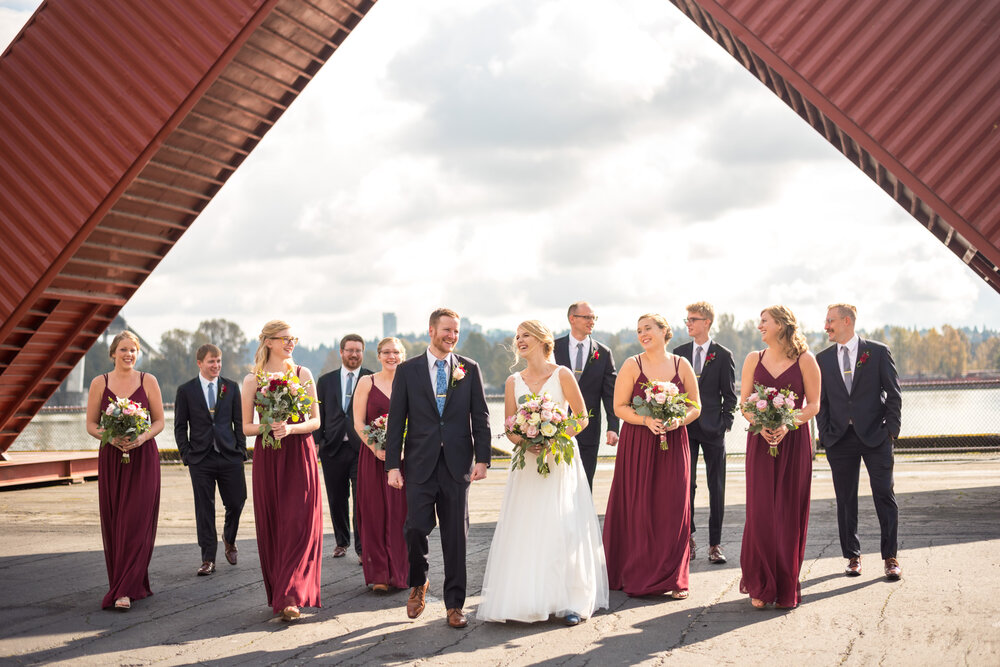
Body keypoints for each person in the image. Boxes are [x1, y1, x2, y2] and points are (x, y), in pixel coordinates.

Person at [479, 321, 609, 626]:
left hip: (560, 460)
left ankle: (570, 601)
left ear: (542, 340)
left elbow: (582, 418)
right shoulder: (513, 382)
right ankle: (528, 598)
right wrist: (528, 441)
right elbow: (510, 427)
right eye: (518, 336)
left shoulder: (562, 374)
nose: (520, 340)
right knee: (527, 525)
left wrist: (556, 438)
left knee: (564, 525)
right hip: (528, 463)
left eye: (526, 335)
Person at [384, 308, 491, 629]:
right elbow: (396, 422)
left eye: (456, 331)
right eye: (447, 330)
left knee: (456, 537)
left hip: (457, 466)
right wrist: (392, 465)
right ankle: (419, 582)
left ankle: (455, 605)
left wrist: (483, 459)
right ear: (431, 330)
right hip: (418, 465)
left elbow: (481, 417)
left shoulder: (470, 369)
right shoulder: (408, 370)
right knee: (415, 528)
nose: (452, 336)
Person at [603, 314, 700, 598]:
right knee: (640, 506)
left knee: (673, 507)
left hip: (674, 441)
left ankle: (675, 578)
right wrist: (645, 421)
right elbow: (619, 407)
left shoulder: (682, 365)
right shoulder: (632, 365)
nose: (642, 334)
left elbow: (695, 406)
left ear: (664, 331)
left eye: (648, 328)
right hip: (638, 443)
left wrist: (679, 420)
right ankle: (638, 571)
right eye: (639, 330)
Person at [738, 306, 820, 609]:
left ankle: (786, 585)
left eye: (764, 321)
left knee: (788, 513)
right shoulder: (752, 359)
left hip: (794, 442)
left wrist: (787, 424)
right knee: (760, 512)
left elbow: (813, 405)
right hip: (759, 442)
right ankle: (760, 583)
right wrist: (761, 424)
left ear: (781, 326)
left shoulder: (805, 360)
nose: (759, 326)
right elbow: (745, 403)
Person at [241, 320, 323, 621]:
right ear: (269, 342)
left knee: (299, 522)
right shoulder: (252, 380)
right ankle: (283, 593)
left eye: (293, 338)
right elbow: (247, 426)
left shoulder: (303, 374)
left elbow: (315, 421)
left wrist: (290, 428)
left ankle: (292, 595)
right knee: (276, 522)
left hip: (299, 453)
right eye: (285, 339)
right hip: (269, 456)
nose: (291, 343)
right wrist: (270, 426)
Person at [817, 304, 903, 580]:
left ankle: (890, 557)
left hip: (876, 436)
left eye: (830, 321)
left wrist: (891, 431)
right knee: (845, 499)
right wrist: (826, 435)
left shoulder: (877, 352)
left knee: (884, 495)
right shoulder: (823, 359)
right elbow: (822, 402)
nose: (826, 326)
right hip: (839, 439)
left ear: (846, 321)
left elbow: (894, 394)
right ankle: (852, 557)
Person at [85, 331, 164, 611]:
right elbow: (91, 425)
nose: (129, 354)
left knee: (137, 520)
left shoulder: (148, 381)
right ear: (113, 353)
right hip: (112, 458)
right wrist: (111, 437)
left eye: (133, 350)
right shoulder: (99, 383)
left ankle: (127, 589)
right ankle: (125, 582)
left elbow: (159, 422)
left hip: (143, 458)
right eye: (123, 349)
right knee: (117, 520)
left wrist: (141, 438)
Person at [174, 343, 247, 576]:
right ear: (200, 363)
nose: (216, 365)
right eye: (211, 362)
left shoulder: (232, 387)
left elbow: (240, 423)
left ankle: (229, 537)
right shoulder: (186, 391)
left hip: (229, 455)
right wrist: (187, 455)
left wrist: (241, 451)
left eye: (218, 361)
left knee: (237, 501)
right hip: (200, 458)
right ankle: (208, 559)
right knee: (204, 509)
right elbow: (179, 427)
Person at [673, 302, 737, 563]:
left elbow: (730, 396)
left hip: (713, 429)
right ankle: (688, 538)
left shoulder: (722, 355)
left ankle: (715, 544)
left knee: (716, 487)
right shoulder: (679, 353)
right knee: (686, 486)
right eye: (687, 319)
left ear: (707, 322)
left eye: (693, 319)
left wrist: (724, 424)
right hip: (685, 428)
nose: (688, 323)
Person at [352, 337, 409, 592]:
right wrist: (376, 448)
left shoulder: (409, 381)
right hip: (373, 457)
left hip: (404, 459)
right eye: (386, 352)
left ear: (403, 355)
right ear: (378, 355)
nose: (391, 356)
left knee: (401, 514)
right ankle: (378, 576)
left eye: (396, 352)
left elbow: (418, 421)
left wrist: (404, 448)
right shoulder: (367, 382)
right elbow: (358, 422)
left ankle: (401, 572)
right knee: (374, 513)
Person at [317, 334, 372, 562]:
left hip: (362, 450)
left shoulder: (371, 378)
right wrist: (317, 444)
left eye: (358, 350)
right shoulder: (325, 381)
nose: (354, 354)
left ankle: (362, 547)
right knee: (337, 498)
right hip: (333, 449)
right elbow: (319, 415)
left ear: (362, 353)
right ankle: (342, 542)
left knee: (361, 499)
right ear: (341, 352)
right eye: (350, 350)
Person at [554, 301, 619, 488]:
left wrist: (613, 427)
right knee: (557, 483)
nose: (592, 321)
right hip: (555, 426)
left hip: (589, 429)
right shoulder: (552, 348)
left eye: (593, 317)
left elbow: (609, 394)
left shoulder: (604, 353)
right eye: (587, 317)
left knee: (584, 482)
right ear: (572, 319)